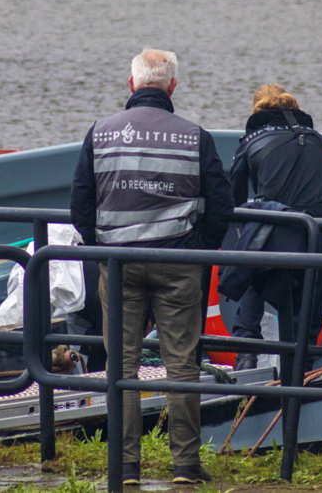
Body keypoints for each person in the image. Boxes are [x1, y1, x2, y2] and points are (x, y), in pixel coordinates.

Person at [70, 48, 233, 487]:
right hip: (178, 262)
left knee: (120, 369)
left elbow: (81, 206)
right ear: (172, 87)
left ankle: (124, 469)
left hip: (119, 264)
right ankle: (184, 468)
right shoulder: (195, 135)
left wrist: (102, 246)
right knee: (182, 366)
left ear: (131, 84)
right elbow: (221, 205)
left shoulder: (100, 133)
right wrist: (199, 250)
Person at [222, 85, 322, 371]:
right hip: (317, 232)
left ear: (256, 110)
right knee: (309, 304)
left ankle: (246, 355)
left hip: (275, 232)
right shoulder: (318, 140)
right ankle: (302, 370)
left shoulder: (251, 141)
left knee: (251, 264)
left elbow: (232, 201)